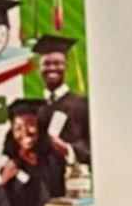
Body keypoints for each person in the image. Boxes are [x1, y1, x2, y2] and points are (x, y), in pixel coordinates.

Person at [0, 102, 69, 206]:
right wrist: (2, 181)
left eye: (31, 125)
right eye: (18, 128)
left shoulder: (53, 161)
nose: (25, 132)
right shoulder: (3, 167)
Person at [30, 34, 91, 172]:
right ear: (38, 69)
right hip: (44, 185)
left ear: (66, 67)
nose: (52, 68)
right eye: (46, 64)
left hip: (74, 179)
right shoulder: (34, 108)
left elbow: (94, 147)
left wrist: (68, 150)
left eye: (58, 63)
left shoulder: (82, 105)